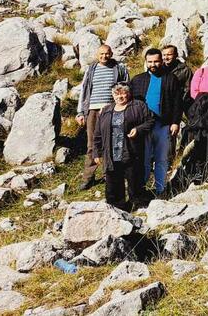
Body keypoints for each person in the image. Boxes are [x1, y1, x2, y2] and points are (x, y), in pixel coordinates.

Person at [129, 48, 183, 197]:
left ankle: (161, 189)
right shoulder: (137, 80)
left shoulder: (171, 78)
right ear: (146, 62)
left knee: (161, 159)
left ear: (161, 61)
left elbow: (178, 102)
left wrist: (175, 122)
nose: (153, 64)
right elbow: (131, 104)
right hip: (144, 127)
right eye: (150, 62)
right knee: (144, 159)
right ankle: (142, 190)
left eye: (156, 61)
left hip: (164, 125)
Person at [75, 44, 130, 189]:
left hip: (112, 110)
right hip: (92, 110)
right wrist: (80, 112)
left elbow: (126, 88)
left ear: (111, 53)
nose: (104, 56)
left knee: (112, 142)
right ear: (96, 54)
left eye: (107, 53)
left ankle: (110, 174)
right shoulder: (91, 69)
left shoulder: (119, 68)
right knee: (92, 144)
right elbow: (84, 90)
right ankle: (88, 177)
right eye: (101, 54)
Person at [93, 83, 154, 211]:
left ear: (129, 93)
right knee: (113, 183)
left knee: (135, 179)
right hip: (111, 153)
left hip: (131, 151)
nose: (120, 96)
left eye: (123, 93)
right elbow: (97, 134)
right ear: (112, 95)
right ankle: (117, 207)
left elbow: (150, 121)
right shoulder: (105, 110)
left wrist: (138, 129)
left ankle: (138, 205)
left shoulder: (138, 106)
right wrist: (96, 153)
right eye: (116, 93)